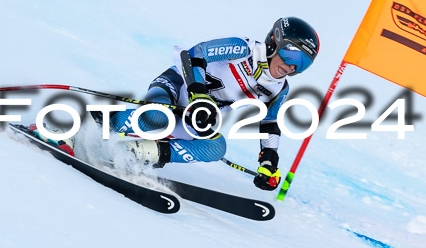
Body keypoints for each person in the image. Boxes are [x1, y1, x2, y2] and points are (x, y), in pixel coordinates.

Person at [97, 16, 320, 192]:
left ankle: (135, 153)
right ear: (274, 42)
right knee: (157, 117)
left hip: (197, 116)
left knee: (216, 147)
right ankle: (92, 121)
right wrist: (198, 94)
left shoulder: (279, 88)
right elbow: (194, 54)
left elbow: (269, 123)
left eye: (302, 64)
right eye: (291, 56)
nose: (292, 68)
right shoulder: (243, 49)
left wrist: (269, 162)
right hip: (175, 88)